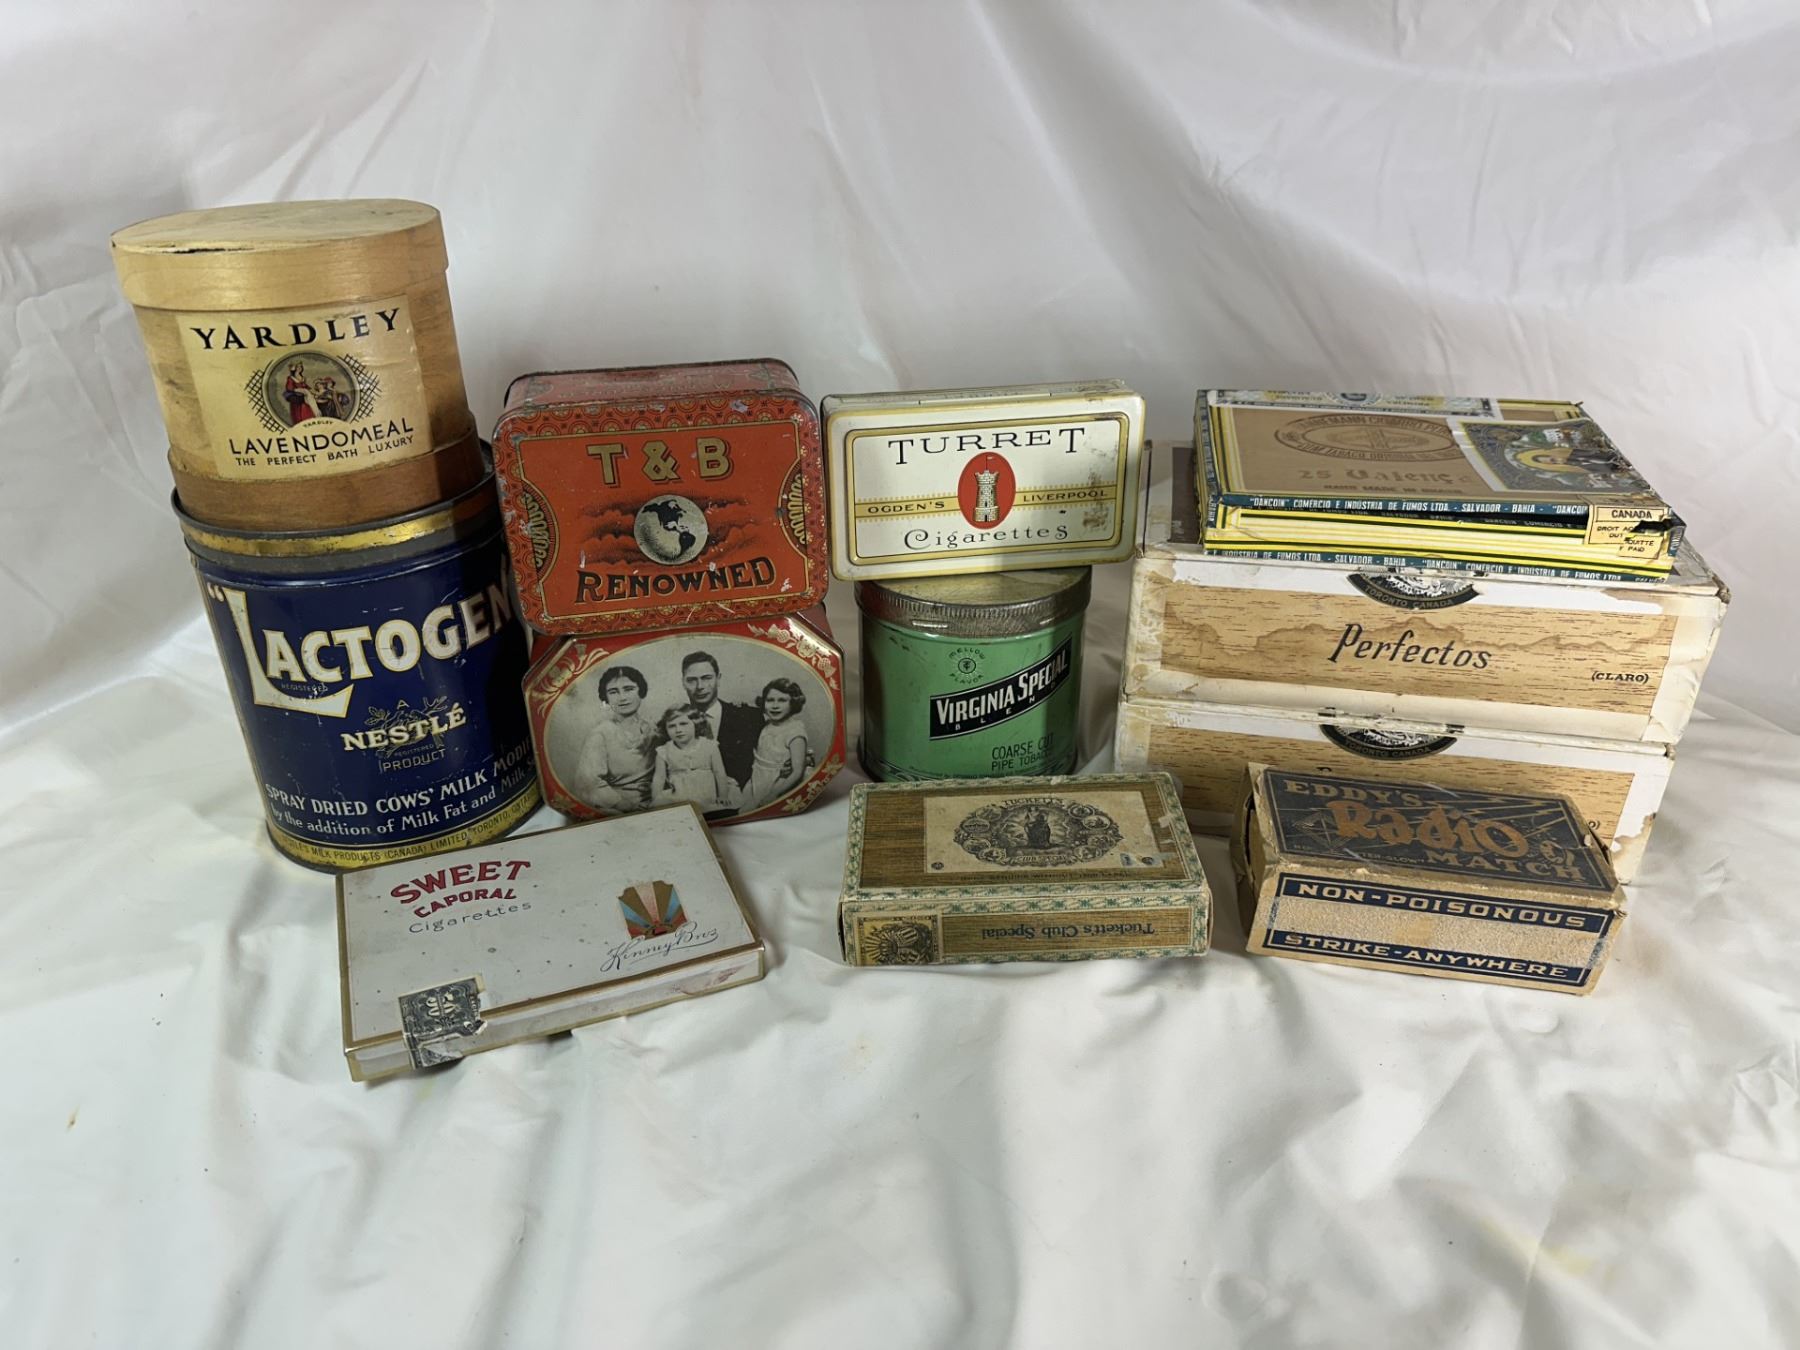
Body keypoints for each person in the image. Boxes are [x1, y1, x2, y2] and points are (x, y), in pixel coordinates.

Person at [574, 664, 654, 813]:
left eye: (629, 689)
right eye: (613, 692)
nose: (622, 697)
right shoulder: (601, 734)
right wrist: (623, 805)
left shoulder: (653, 729)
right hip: (621, 807)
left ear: (641, 691)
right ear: (606, 698)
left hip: (656, 802)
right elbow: (588, 782)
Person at [680, 650, 762, 789]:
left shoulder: (749, 717)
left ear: (718, 679)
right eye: (692, 680)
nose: (700, 686)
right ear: (683, 682)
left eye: (707, 678)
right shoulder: (672, 723)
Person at [650, 704, 737, 813]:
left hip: (708, 795)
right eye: (672, 726)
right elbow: (659, 778)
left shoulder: (710, 746)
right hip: (679, 796)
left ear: (696, 724)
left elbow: (719, 772)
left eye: (683, 724)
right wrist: (655, 800)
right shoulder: (664, 751)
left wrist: (723, 795)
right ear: (665, 729)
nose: (678, 730)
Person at [742, 678, 811, 812]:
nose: (775, 706)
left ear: (793, 703)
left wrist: (775, 794)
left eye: (782, 700)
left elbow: (797, 771)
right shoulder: (767, 725)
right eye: (770, 700)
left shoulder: (795, 732)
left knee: (765, 811)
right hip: (758, 778)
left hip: (778, 782)